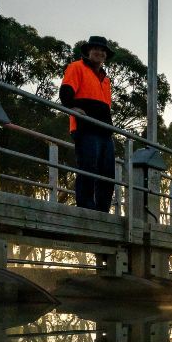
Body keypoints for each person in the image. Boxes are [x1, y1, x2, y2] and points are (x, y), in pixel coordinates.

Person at [60, 36, 115, 212]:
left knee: (107, 173)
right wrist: (72, 108)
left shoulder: (106, 80)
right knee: (88, 167)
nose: (100, 52)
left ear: (106, 55)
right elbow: (66, 92)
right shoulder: (76, 67)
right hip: (86, 128)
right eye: (96, 49)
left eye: (103, 50)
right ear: (88, 51)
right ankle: (86, 207)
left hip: (105, 131)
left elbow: (106, 106)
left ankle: (103, 209)